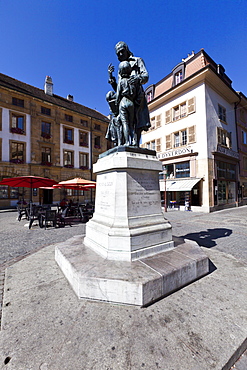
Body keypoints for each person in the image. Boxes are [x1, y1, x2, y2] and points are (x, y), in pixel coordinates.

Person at [107, 41, 151, 147]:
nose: (121, 55)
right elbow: (119, 88)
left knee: (138, 120)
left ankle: (135, 143)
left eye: (122, 52)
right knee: (124, 120)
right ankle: (124, 141)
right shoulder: (120, 69)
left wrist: (137, 78)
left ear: (126, 49)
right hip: (125, 97)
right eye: (118, 54)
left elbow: (146, 76)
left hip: (137, 96)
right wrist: (111, 78)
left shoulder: (137, 61)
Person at [115, 61, 139, 146]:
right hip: (131, 102)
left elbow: (118, 96)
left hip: (123, 102)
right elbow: (135, 93)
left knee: (125, 123)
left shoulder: (121, 82)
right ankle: (134, 140)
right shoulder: (132, 81)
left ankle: (127, 142)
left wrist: (117, 103)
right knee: (132, 124)